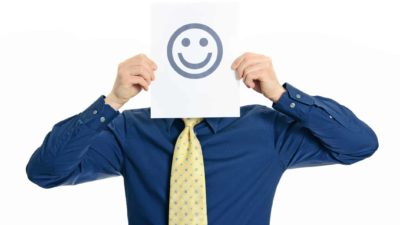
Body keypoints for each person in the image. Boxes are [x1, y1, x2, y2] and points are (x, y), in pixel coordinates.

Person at [26, 52, 379, 225]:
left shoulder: (266, 130)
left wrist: (283, 95)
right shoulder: (129, 130)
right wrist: (111, 102)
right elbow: (45, 171)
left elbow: (359, 145)